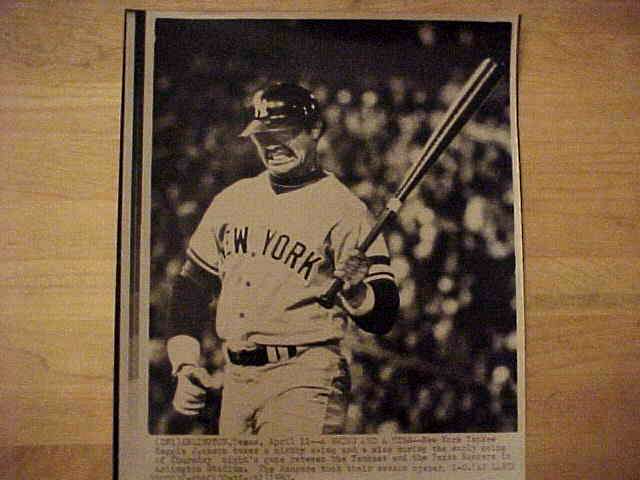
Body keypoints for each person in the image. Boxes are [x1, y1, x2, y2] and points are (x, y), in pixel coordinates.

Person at [166, 83, 399, 435]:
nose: (272, 146)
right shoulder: (233, 198)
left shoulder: (345, 209)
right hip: (237, 380)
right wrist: (184, 364)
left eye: (284, 132)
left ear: (315, 130)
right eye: (263, 135)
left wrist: (355, 294)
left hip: (305, 376)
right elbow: (191, 286)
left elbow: (385, 313)